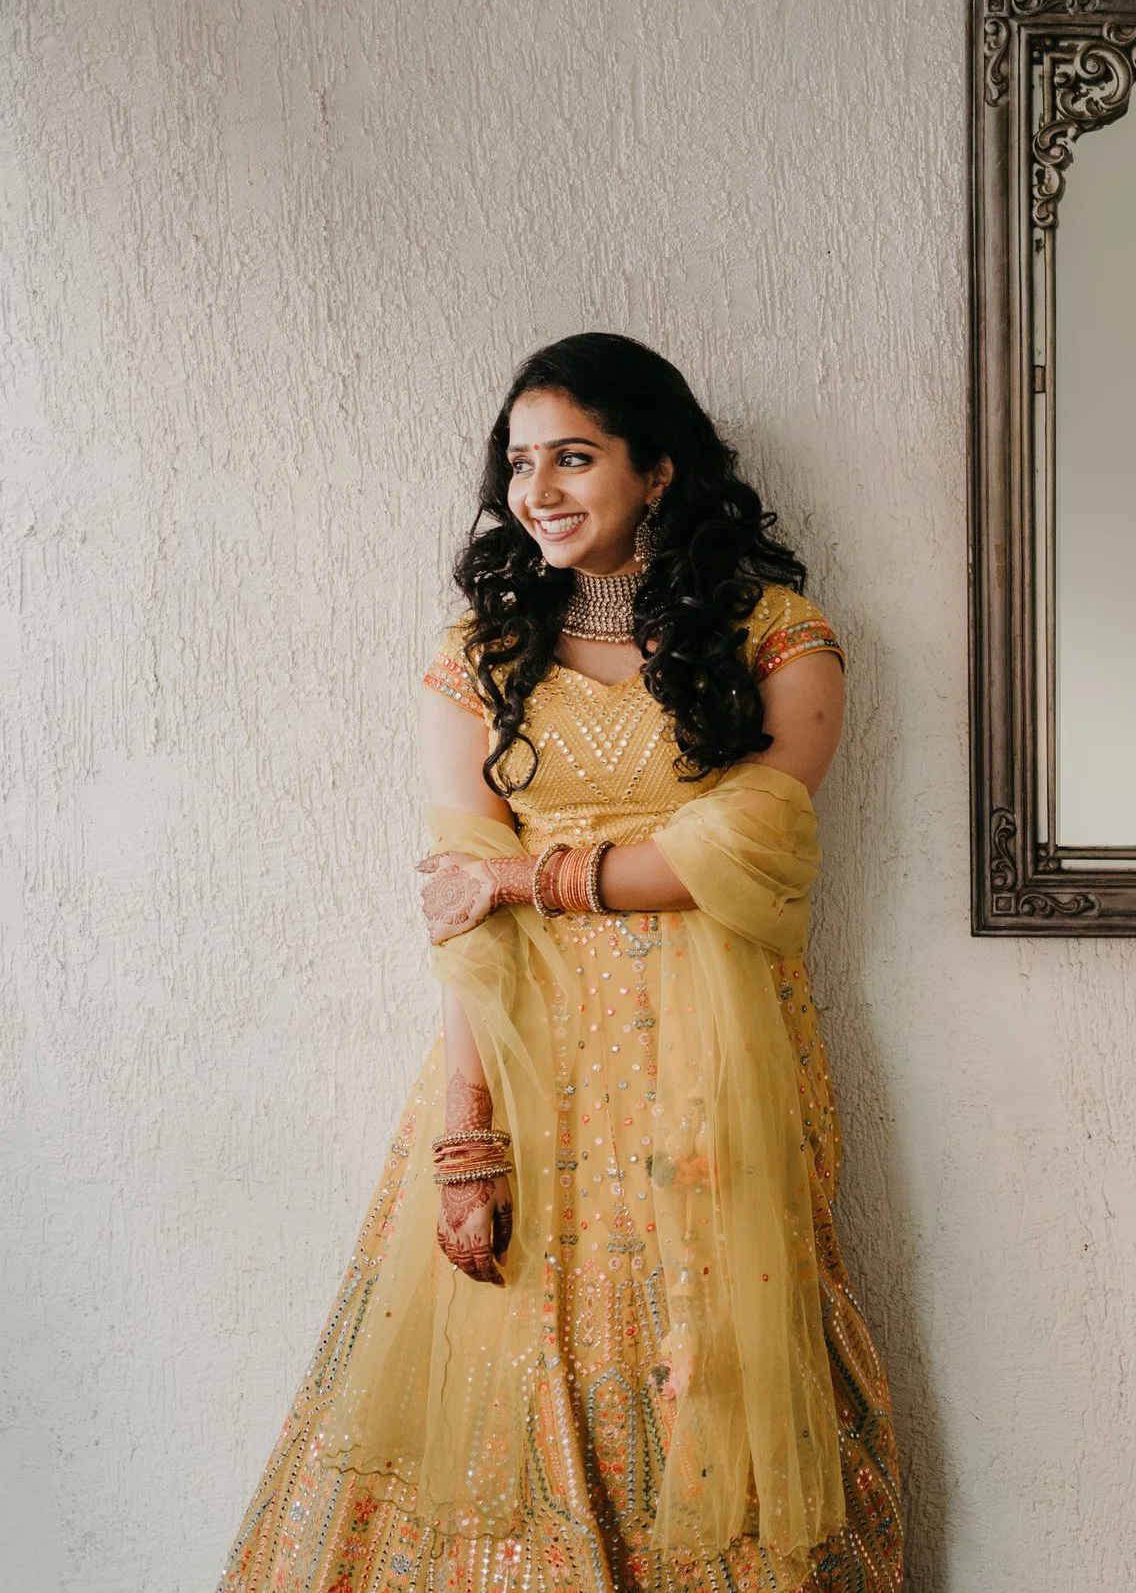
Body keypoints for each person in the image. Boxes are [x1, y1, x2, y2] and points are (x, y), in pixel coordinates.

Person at [223, 334, 903, 1593]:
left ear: (658, 468)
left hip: (722, 1063)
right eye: (520, 461)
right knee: (522, 1362)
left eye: (574, 457)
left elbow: (740, 847)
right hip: (532, 1057)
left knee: (716, 1362)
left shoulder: (773, 638)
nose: (536, 489)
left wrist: (526, 877)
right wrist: (465, 1134)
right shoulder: (480, 658)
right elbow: (461, 912)